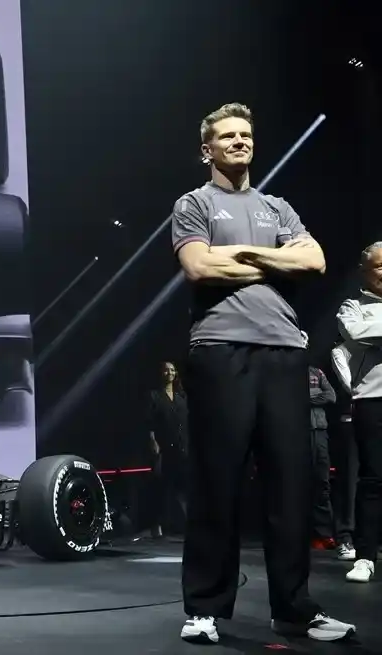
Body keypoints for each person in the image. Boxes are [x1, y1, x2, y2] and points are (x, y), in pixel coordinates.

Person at [170, 103, 354, 643]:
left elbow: (315, 262)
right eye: (227, 136)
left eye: (246, 135)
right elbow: (201, 266)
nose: (239, 142)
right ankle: (204, 608)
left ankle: (294, 609)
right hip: (221, 350)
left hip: (283, 352)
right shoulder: (194, 204)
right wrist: (274, 257)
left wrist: (242, 252)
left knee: (292, 486)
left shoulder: (278, 207)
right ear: (208, 149)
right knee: (218, 481)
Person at [338, 241, 382, 583]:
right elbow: (356, 332)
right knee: (373, 479)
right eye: (379, 267)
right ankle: (366, 556)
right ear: (365, 272)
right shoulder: (351, 306)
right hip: (372, 399)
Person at [147, 361, 188, 537]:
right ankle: (157, 525)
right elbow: (148, 421)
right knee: (161, 487)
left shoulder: (181, 398)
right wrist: (152, 441)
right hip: (163, 447)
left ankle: (184, 524)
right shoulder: (154, 396)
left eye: (172, 370)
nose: (169, 373)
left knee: (183, 488)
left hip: (181, 447)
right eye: (166, 370)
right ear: (161, 373)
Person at [331, 341, 359, 560]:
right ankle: (345, 537)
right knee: (349, 480)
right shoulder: (341, 351)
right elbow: (350, 386)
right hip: (352, 419)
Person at [308, 364, 337, 549]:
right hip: (293, 432)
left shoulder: (316, 372)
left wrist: (303, 397)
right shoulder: (282, 370)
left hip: (319, 432)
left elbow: (331, 396)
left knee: (322, 483)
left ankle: (323, 533)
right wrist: (316, 394)